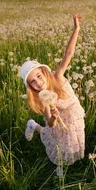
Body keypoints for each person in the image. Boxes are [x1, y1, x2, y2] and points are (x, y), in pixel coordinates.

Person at [20, 14, 85, 177]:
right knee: (55, 141)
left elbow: (68, 54)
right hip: (57, 125)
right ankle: (59, 164)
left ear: (44, 72)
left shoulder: (58, 76)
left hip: (73, 117)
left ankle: (32, 125)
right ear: (30, 87)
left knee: (72, 140)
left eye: (39, 76)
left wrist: (76, 28)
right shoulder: (43, 98)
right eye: (33, 82)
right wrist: (54, 117)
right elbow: (50, 124)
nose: (38, 83)